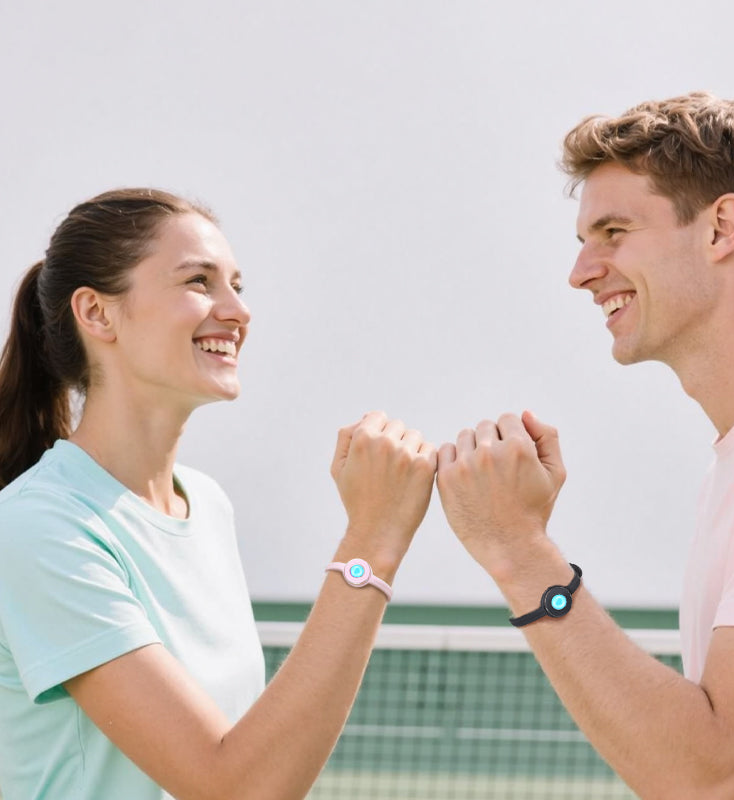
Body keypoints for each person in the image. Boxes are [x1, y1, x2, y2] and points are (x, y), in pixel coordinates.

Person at [0, 188, 437, 800]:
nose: (238, 311)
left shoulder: (206, 506)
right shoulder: (40, 528)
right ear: (96, 314)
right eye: (199, 281)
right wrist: (373, 541)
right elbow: (235, 785)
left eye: (238, 284)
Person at [436, 92, 734, 800]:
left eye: (612, 231)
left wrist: (519, 551)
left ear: (722, 227)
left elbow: (717, 775)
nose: (580, 272)